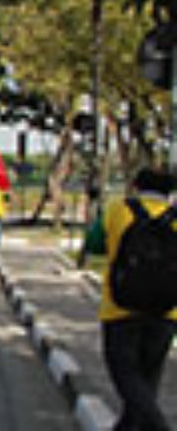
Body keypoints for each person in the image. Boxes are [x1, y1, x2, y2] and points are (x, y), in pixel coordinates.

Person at [96, 169, 177, 431]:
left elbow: (94, 242)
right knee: (146, 383)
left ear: (135, 185)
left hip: (119, 310)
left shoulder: (118, 209)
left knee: (128, 378)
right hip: (167, 313)